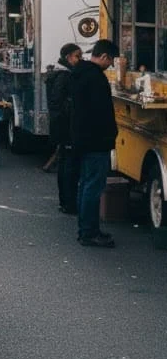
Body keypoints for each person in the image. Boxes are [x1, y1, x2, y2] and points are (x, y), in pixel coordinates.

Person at [70, 39, 119, 247]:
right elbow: (101, 113)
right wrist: (111, 134)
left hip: (82, 138)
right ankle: (89, 231)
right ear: (105, 57)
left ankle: (85, 228)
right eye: (111, 61)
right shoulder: (96, 79)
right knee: (93, 185)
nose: (111, 65)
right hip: (96, 140)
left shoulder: (79, 74)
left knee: (85, 184)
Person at [47, 43, 82, 214]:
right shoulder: (64, 76)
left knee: (65, 163)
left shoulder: (58, 73)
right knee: (69, 165)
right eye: (77, 56)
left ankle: (65, 201)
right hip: (66, 127)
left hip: (61, 126)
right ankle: (69, 202)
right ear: (68, 57)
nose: (80, 60)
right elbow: (59, 103)